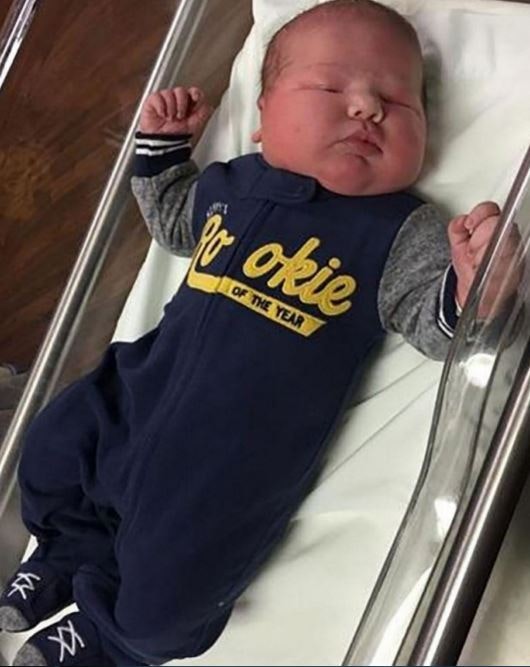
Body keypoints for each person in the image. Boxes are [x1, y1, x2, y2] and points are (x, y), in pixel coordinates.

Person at [0, 1, 515, 665]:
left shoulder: (397, 231)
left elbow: (435, 326)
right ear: (263, 117)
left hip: (227, 462)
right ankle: (66, 554)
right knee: (51, 445)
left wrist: (473, 288)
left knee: (169, 598)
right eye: (330, 88)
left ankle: (110, 638)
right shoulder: (233, 184)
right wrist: (161, 151)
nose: (366, 107)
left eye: (397, 101)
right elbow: (175, 224)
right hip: (135, 392)